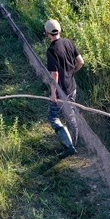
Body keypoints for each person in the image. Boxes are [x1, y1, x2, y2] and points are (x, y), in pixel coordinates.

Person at [44, 18, 84, 155]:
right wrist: (71, 73)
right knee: (70, 114)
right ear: (60, 30)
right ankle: (75, 140)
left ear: (47, 33)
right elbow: (81, 62)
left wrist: (53, 94)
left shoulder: (51, 50)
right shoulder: (69, 42)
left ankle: (69, 146)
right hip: (72, 87)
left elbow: (54, 74)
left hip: (61, 91)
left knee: (53, 117)